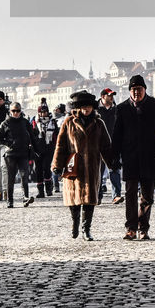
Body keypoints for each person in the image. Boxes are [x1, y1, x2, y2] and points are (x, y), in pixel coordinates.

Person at [110, 75, 155, 241]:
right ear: (130, 91)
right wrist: (114, 156)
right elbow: (117, 134)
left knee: (147, 196)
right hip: (130, 157)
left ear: (145, 90)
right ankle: (131, 228)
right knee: (130, 194)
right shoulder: (121, 108)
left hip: (151, 157)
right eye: (134, 89)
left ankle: (144, 227)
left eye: (139, 89)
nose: (136, 92)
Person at [50, 91, 116, 241]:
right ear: (78, 107)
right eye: (83, 106)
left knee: (89, 199)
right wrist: (57, 165)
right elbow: (60, 146)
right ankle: (75, 223)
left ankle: (86, 229)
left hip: (92, 166)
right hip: (74, 166)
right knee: (74, 199)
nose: (86, 109)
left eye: (89, 106)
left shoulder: (99, 124)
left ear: (93, 107)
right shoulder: (68, 122)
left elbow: (106, 146)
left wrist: (112, 163)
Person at [0, 103, 35, 208]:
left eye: (18, 111)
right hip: (10, 154)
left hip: (23, 153)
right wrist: (8, 143)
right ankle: (10, 200)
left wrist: (36, 150)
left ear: (20, 111)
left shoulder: (25, 122)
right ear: (10, 111)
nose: (16, 113)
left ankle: (25, 198)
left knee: (24, 176)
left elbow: (33, 137)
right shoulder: (6, 123)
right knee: (10, 178)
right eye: (13, 111)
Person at [96, 89, 122, 205]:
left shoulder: (116, 110)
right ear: (102, 96)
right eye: (109, 95)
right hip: (98, 145)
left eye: (112, 95)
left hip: (113, 144)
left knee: (115, 169)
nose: (111, 97)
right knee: (98, 171)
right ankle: (97, 196)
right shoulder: (95, 110)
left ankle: (116, 195)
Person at [32, 104, 58, 198]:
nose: (43, 114)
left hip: (49, 148)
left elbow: (56, 135)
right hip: (38, 148)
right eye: (41, 112)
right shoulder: (34, 121)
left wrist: (56, 147)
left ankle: (48, 188)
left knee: (46, 168)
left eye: (45, 112)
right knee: (38, 170)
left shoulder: (53, 122)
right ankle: (40, 191)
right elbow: (31, 134)